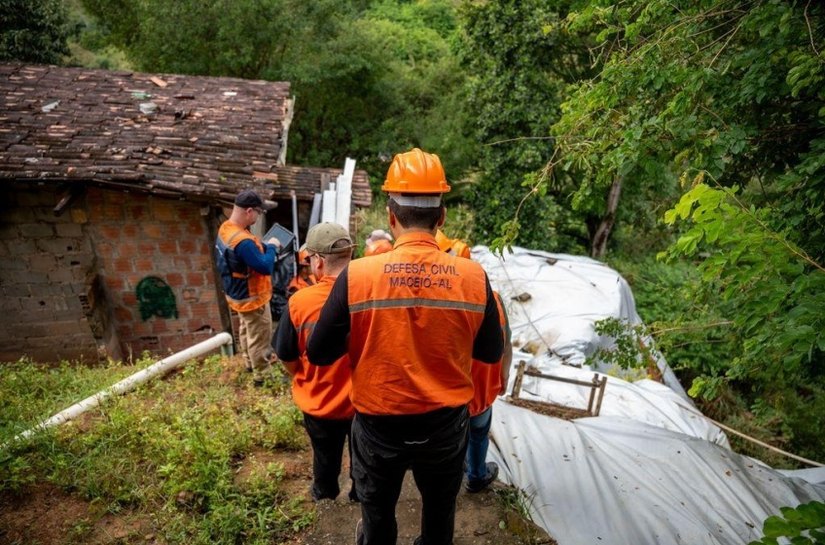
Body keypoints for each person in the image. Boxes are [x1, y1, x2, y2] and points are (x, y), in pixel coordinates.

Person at [306, 148, 504, 545]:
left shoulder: (358, 275)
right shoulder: (472, 276)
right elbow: (489, 354)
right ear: (442, 216)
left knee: (377, 515)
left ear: (391, 216)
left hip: (379, 427)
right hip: (446, 426)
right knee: (439, 513)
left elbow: (319, 353)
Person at [272, 223, 358, 502]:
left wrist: (304, 375)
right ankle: (359, 494)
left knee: (325, 459)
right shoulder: (369, 295)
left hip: (320, 403)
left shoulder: (300, 302)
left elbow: (286, 356)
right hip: (364, 404)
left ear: (318, 261)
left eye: (309, 260)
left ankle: (326, 496)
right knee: (364, 458)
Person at [215, 189, 279, 386]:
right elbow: (265, 267)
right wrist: (273, 247)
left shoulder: (226, 228)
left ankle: (249, 363)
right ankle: (262, 376)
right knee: (259, 336)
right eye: (259, 213)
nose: (258, 217)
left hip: (237, 294)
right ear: (249, 211)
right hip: (253, 298)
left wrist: (262, 247)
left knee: (246, 329)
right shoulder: (244, 242)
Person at [466, 291, 512, 492]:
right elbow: (506, 346)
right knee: (478, 434)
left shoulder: (448, 298)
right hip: (483, 391)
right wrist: (504, 379)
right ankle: (476, 476)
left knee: (451, 435)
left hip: (451, 393)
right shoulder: (496, 301)